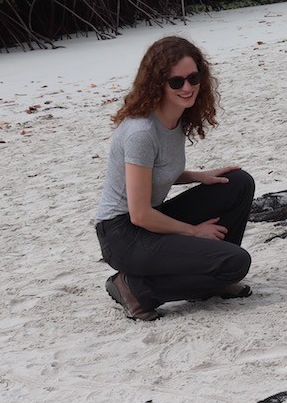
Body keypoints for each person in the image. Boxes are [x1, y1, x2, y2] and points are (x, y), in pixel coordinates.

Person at [94, 36, 255, 321]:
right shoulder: (141, 132)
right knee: (237, 262)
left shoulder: (175, 117)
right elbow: (140, 214)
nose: (187, 88)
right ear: (157, 83)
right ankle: (134, 287)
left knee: (238, 183)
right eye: (176, 82)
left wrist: (199, 176)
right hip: (123, 235)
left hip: (148, 220)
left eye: (193, 78)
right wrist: (194, 232)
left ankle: (214, 277)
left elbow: (155, 171)